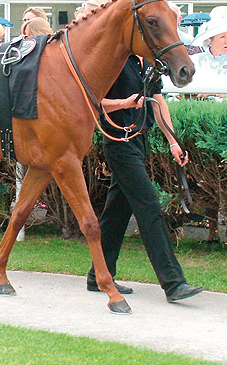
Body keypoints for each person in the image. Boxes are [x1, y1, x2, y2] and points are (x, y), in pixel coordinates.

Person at [86, 55, 203, 303]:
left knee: (117, 212)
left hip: (140, 141)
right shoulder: (114, 60)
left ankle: (98, 274)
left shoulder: (149, 63)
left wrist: (173, 141)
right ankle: (173, 283)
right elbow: (92, 101)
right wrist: (124, 104)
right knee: (149, 207)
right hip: (119, 143)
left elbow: (158, 102)